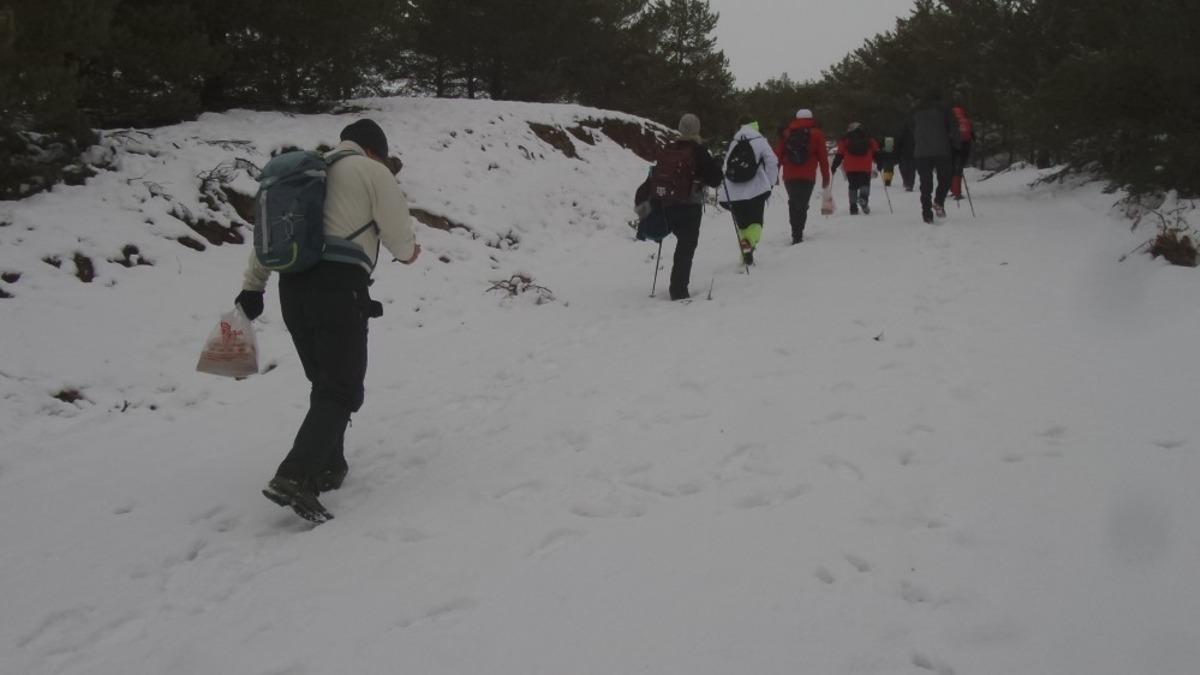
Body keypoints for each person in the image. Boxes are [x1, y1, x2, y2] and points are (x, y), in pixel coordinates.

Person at [234, 119, 421, 523]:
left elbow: (272, 239)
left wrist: (253, 287)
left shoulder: (307, 173)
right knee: (342, 387)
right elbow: (399, 237)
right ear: (375, 150)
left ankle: (329, 465)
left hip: (292, 287)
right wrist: (409, 253)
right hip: (339, 287)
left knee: (325, 381)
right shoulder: (372, 171)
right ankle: (295, 475)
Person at [654, 113, 723, 300]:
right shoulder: (699, 151)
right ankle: (678, 290)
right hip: (690, 205)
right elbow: (715, 179)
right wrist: (716, 165)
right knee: (686, 246)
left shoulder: (670, 148)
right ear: (697, 129)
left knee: (681, 243)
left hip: (668, 203)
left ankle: (677, 287)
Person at [719, 116, 779, 265]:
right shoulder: (759, 140)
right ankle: (749, 242)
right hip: (755, 190)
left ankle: (745, 257)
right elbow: (772, 162)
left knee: (743, 225)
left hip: (733, 194)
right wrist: (770, 184)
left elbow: (726, 167)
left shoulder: (734, 141)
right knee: (756, 224)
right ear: (755, 126)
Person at [775, 109, 831, 243]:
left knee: (794, 202)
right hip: (808, 175)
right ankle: (798, 233)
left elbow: (777, 155)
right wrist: (826, 177)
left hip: (789, 175)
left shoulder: (787, 133)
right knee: (802, 203)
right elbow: (823, 157)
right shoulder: (817, 134)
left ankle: (795, 232)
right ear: (811, 118)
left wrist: (774, 175)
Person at [905, 89, 960, 223]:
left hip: (921, 151)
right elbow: (954, 127)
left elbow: (911, 127)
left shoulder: (915, 110)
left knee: (925, 183)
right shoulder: (945, 108)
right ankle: (939, 201)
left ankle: (926, 213)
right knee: (945, 178)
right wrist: (957, 147)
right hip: (942, 150)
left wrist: (920, 138)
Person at [830, 122, 880, 215]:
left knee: (852, 186)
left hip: (850, 167)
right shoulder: (869, 139)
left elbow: (839, 155)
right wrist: (880, 163)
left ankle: (853, 207)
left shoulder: (845, 139)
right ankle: (863, 199)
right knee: (864, 184)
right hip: (865, 166)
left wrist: (834, 166)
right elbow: (876, 152)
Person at [949, 99, 975, 200]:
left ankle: (952, 189)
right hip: (965, 147)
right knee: (959, 170)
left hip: (953, 146)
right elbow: (972, 135)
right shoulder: (966, 120)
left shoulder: (951, 121)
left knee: (951, 168)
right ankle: (957, 192)